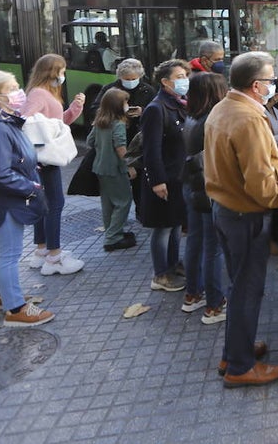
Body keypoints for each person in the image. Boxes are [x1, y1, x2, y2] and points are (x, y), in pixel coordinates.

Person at [204, 51, 278, 388]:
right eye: (271, 79)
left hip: (225, 210)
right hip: (246, 216)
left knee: (238, 286)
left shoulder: (223, 108)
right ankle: (240, 366)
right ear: (257, 85)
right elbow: (263, 188)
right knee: (247, 290)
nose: (274, 85)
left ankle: (234, 352)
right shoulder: (249, 119)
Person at [0, 70, 54, 327]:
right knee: (9, 254)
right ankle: (15, 308)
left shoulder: (0, 120)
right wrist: (30, 187)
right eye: (13, 87)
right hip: (7, 200)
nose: (19, 92)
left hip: (3, 199)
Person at [21, 53, 86, 276]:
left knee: (43, 203)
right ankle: (54, 257)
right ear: (52, 72)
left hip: (42, 157)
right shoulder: (39, 94)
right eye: (62, 71)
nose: (63, 75)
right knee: (55, 203)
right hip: (43, 159)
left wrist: (76, 108)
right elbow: (24, 121)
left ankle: (41, 251)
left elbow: (59, 124)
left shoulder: (45, 92)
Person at [141, 59, 190, 292]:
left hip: (179, 176)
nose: (184, 81)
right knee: (163, 227)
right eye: (179, 76)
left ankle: (173, 264)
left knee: (174, 224)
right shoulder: (156, 108)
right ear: (165, 81)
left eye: (185, 76)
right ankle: (160, 274)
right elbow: (151, 150)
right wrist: (157, 181)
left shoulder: (179, 104)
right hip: (166, 178)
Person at [181, 72, 227, 324]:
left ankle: (193, 294)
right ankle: (214, 305)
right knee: (213, 248)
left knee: (195, 243)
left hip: (192, 186)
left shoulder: (192, 116)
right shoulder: (213, 119)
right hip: (208, 190)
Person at [86, 58, 156, 213]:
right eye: (127, 79)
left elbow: (156, 111)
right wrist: (117, 113)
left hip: (138, 139)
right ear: (120, 77)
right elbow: (96, 110)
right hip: (117, 141)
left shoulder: (148, 90)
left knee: (139, 180)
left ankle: (141, 211)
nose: (131, 82)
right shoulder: (109, 90)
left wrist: (142, 111)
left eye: (134, 79)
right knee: (119, 185)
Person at [87, 87, 136, 252]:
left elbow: (89, 141)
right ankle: (113, 237)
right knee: (123, 201)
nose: (127, 105)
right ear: (117, 105)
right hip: (115, 168)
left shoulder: (100, 121)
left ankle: (112, 232)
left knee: (107, 202)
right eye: (125, 102)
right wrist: (129, 166)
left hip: (100, 167)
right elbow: (121, 147)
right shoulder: (118, 123)